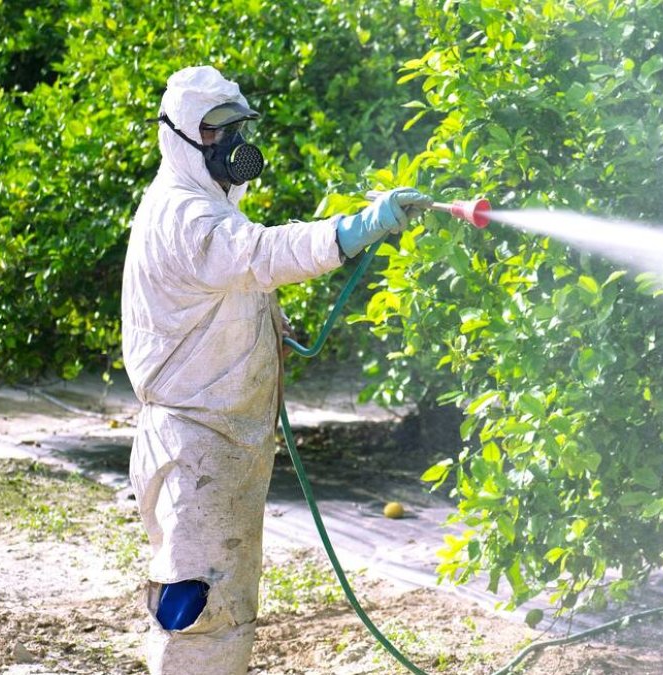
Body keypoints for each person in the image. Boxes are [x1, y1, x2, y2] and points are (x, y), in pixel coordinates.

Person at [120, 65, 431, 674]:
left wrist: (267, 323)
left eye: (236, 129)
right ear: (180, 136)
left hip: (222, 438)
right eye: (215, 132)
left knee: (223, 595)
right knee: (197, 601)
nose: (230, 145)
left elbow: (233, 280)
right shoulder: (186, 214)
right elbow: (259, 254)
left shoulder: (206, 208)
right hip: (195, 441)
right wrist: (356, 229)